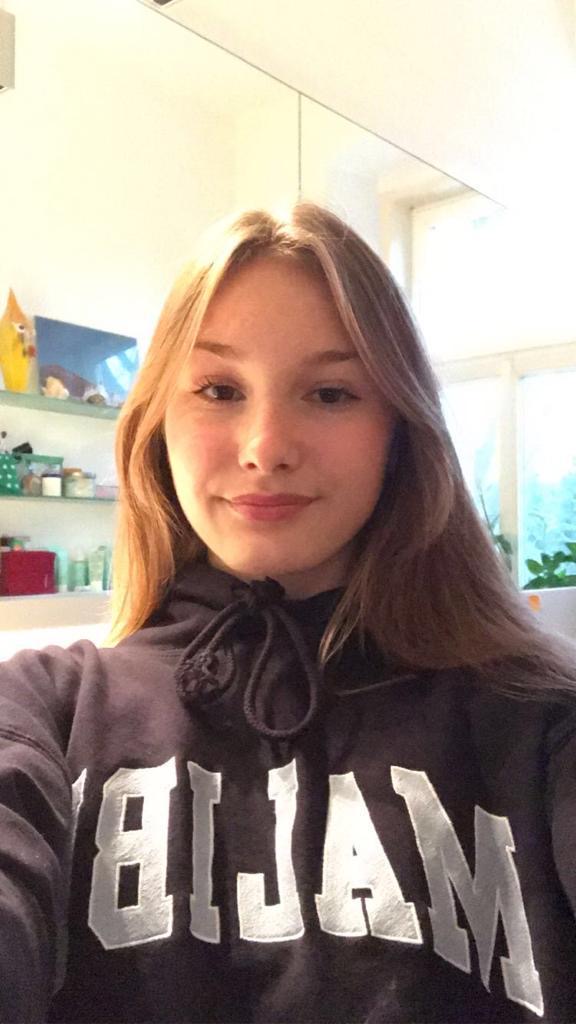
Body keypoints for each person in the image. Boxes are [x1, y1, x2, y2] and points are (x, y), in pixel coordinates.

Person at [1, 201, 576, 1024]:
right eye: (219, 389)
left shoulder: (540, 721)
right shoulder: (43, 713)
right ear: (157, 421)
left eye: (331, 392)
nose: (266, 446)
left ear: (400, 430)